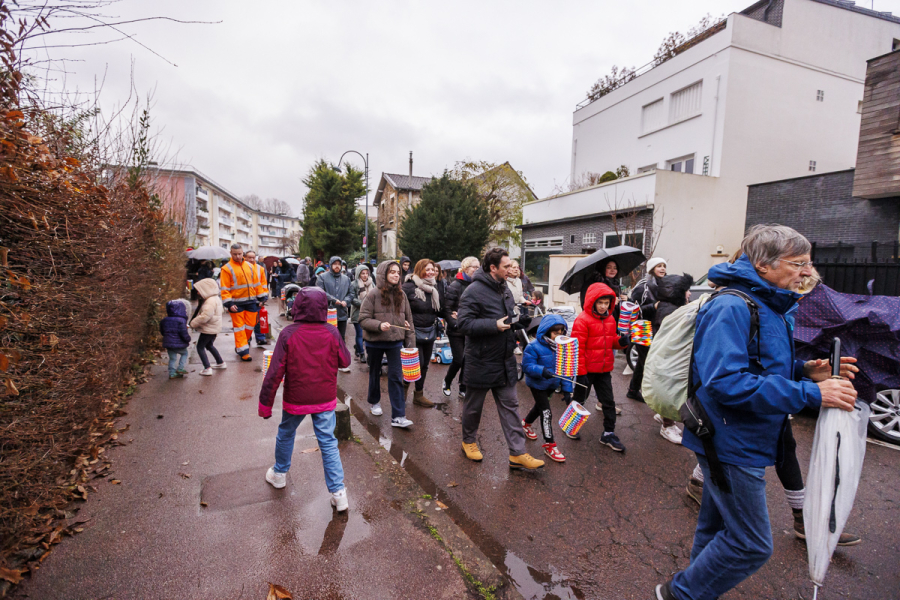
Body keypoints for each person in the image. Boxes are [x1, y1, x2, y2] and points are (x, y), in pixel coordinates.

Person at [656, 225, 859, 600]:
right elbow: (726, 383)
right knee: (751, 543)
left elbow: (759, 365)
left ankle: (697, 594)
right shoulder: (732, 306)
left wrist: (805, 371)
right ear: (764, 265)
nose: (806, 272)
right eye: (798, 264)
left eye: (808, 264)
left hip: (742, 437)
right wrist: (811, 393)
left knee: (716, 529)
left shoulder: (773, 304)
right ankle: (677, 595)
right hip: (729, 441)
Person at [258, 286, 352, 512]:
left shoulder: (289, 334)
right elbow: (346, 361)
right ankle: (339, 494)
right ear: (323, 307)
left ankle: (280, 473)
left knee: (286, 433)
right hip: (324, 398)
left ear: (297, 306)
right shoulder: (332, 332)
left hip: (296, 398)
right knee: (328, 442)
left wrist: (265, 405)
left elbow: (274, 372)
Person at [456, 247, 544, 470]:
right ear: (493, 268)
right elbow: (463, 324)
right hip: (481, 360)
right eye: (506, 266)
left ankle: (517, 453)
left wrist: (523, 321)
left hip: (504, 359)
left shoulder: (504, 288)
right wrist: (492, 325)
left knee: (511, 406)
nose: (511, 270)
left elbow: (507, 318)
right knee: (474, 407)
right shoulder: (473, 291)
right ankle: (468, 441)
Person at [570, 282, 629, 449]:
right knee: (579, 399)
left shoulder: (610, 319)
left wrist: (621, 342)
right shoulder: (582, 320)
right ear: (592, 301)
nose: (603, 306)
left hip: (603, 369)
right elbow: (578, 349)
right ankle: (571, 427)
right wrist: (581, 373)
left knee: (608, 401)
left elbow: (610, 342)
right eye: (600, 302)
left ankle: (608, 433)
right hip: (586, 370)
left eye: (606, 303)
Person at [359, 261, 416, 428]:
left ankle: (398, 416)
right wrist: (378, 325)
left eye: (398, 272)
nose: (396, 275)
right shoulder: (373, 295)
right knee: (375, 373)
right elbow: (363, 319)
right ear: (384, 274)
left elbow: (409, 320)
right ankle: (374, 402)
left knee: (396, 377)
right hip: (375, 342)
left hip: (395, 342)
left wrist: (409, 338)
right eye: (392, 272)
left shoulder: (402, 295)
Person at [648, 272, 693, 444]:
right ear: (675, 291)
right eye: (686, 290)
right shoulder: (671, 311)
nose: (689, 294)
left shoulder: (670, 307)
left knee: (668, 390)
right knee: (670, 391)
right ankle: (667, 426)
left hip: (666, 358)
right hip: (668, 359)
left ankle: (664, 416)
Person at [521, 314, 572, 463]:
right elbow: (527, 366)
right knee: (546, 412)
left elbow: (566, 371)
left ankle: (526, 423)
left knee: (539, 407)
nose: (559, 335)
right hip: (537, 383)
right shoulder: (533, 346)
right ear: (547, 331)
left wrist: (567, 390)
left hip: (552, 384)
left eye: (561, 331)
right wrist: (541, 370)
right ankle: (550, 445)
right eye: (555, 332)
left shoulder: (563, 348)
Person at [402, 259, 445, 408]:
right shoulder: (408, 286)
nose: (431, 272)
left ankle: (418, 395)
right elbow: (399, 308)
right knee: (414, 364)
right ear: (420, 270)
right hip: (412, 331)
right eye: (428, 269)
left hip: (429, 330)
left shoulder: (435, 288)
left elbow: (440, 309)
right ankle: (402, 394)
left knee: (425, 364)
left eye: (433, 269)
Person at [627, 257, 667, 402]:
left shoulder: (664, 284)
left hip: (656, 326)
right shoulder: (643, 286)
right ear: (651, 269)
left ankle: (634, 390)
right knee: (645, 362)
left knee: (648, 362)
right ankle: (637, 391)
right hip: (642, 326)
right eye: (659, 266)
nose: (662, 269)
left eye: (664, 266)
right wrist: (654, 306)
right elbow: (633, 309)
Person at [442, 256, 479, 399]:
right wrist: (454, 322)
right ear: (465, 268)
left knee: (468, 359)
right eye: (473, 267)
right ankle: (447, 381)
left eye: (478, 267)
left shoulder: (477, 285)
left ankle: (463, 386)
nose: (476, 270)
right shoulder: (455, 286)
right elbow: (447, 309)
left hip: (471, 329)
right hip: (456, 330)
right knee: (459, 359)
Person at [220, 244, 263, 361]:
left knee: (250, 326)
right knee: (239, 328)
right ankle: (243, 351)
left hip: (251, 301)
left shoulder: (249, 266)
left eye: (239, 254)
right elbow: (224, 288)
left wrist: (261, 297)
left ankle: (241, 346)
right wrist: (228, 304)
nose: (238, 256)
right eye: (235, 254)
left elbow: (256, 283)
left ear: (242, 252)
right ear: (231, 253)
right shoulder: (226, 269)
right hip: (235, 303)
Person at [316, 256, 353, 372]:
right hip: (327, 313)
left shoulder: (346, 279)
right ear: (330, 265)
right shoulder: (322, 277)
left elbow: (351, 293)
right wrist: (333, 299)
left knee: (341, 338)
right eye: (335, 264)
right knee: (326, 338)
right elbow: (320, 292)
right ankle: (324, 362)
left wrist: (346, 301)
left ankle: (341, 362)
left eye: (339, 264)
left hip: (341, 313)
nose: (337, 266)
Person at [189, 278, 226, 375]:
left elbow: (205, 316)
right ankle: (220, 362)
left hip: (208, 329)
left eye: (199, 290)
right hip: (214, 328)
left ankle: (207, 368)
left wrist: (192, 323)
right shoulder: (216, 298)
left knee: (200, 347)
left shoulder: (209, 301)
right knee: (209, 345)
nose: (197, 292)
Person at [244, 250, 270, 347]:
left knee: (258, 320)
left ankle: (260, 338)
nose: (251, 259)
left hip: (257, 298)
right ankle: (247, 338)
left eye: (253, 257)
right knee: (247, 321)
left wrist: (263, 298)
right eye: (249, 257)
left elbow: (264, 284)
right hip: (245, 299)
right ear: (245, 258)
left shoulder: (260, 269)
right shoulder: (241, 268)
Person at [160, 300, 191, 379]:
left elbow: (162, 331)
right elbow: (183, 333)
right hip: (180, 344)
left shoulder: (164, 320)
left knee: (172, 358)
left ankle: (172, 373)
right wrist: (188, 339)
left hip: (169, 343)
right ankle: (180, 368)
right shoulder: (181, 320)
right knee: (184, 354)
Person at [349, 264, 373, 364]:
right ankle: (362, 354)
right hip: (357, 313)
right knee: (359, 334)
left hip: (369, 313)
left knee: (366, 335)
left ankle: (357, 347)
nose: (365, 275)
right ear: (358, 274)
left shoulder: (372, 283)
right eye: (363, 273)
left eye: (366, 273)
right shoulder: (354, 284)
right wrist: (364, 304)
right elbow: (352, 298)